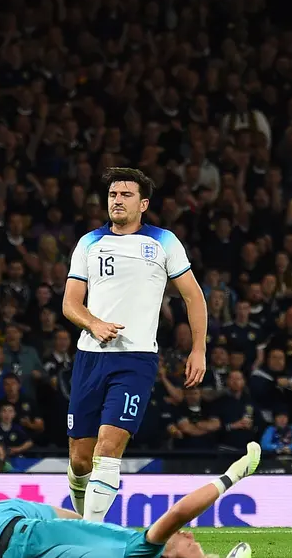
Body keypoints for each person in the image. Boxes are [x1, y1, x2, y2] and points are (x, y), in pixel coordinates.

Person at [62, 168, 209, 522]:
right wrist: (94, 323)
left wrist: (199, 349)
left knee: (107, 449)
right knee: (80, 460)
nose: (117, 200)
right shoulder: (89, 243)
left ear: (143, 204)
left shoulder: (164, 241)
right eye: (113, 194)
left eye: (126, 195)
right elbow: (70, 303)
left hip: (136, 360)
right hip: (89, 358)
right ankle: (86, 524)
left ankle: (90, 536)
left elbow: (194, 297)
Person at [0, 443, 261, 558]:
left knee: (69, 522)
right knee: (79, 526)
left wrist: (233, 475)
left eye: (190, 544)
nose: (189, 535)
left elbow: (178, 512)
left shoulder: (141, 553)